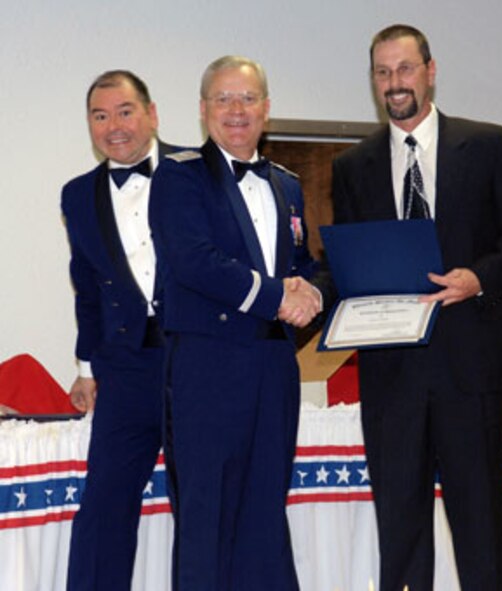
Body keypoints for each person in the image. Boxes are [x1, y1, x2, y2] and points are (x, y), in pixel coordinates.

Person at [330, 24, 502, 591]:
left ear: (430, 71)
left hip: (473, 370)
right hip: (391, 377)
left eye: (404, 69)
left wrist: (479, 277)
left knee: (482, 532)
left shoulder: (486, 144)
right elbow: (348, 265)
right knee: (399, 533)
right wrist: (309, 291)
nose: (394, 83)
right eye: (383, 72)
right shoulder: (353, 166)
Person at [149, 55, 324, 591]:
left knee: (266, 509)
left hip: (273, 367)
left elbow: (300, 264)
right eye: (223, 99)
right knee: (206, 514)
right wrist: (278, 297)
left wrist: (313, 292)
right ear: (203, 110)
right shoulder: (179, 176)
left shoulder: (286, 184)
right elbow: (194, 260)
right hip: (207, 363)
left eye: (247, 99)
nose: (236, 110)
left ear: (266, 110)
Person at [61, 70, 187, 591]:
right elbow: (87, 287)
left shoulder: (196, 170)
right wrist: (85, 367)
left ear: (152, 114)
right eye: (100, 115)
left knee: (202, 507)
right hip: (124, 371)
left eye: (125, 111)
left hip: (196, 362)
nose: (114, 126)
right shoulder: (76, 195)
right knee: (103, 509)